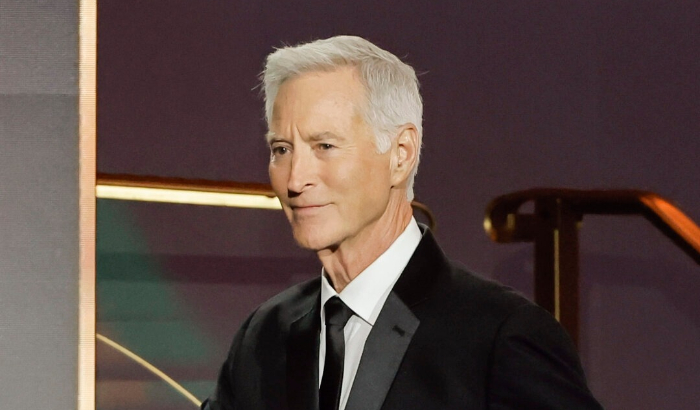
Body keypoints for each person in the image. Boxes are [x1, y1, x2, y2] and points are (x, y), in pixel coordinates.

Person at [203, 35, 603, 410]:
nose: (294, 179)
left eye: (324, 146)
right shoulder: (264, 336)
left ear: (401, 154)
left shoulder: (501, 337)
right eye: (282, 149)